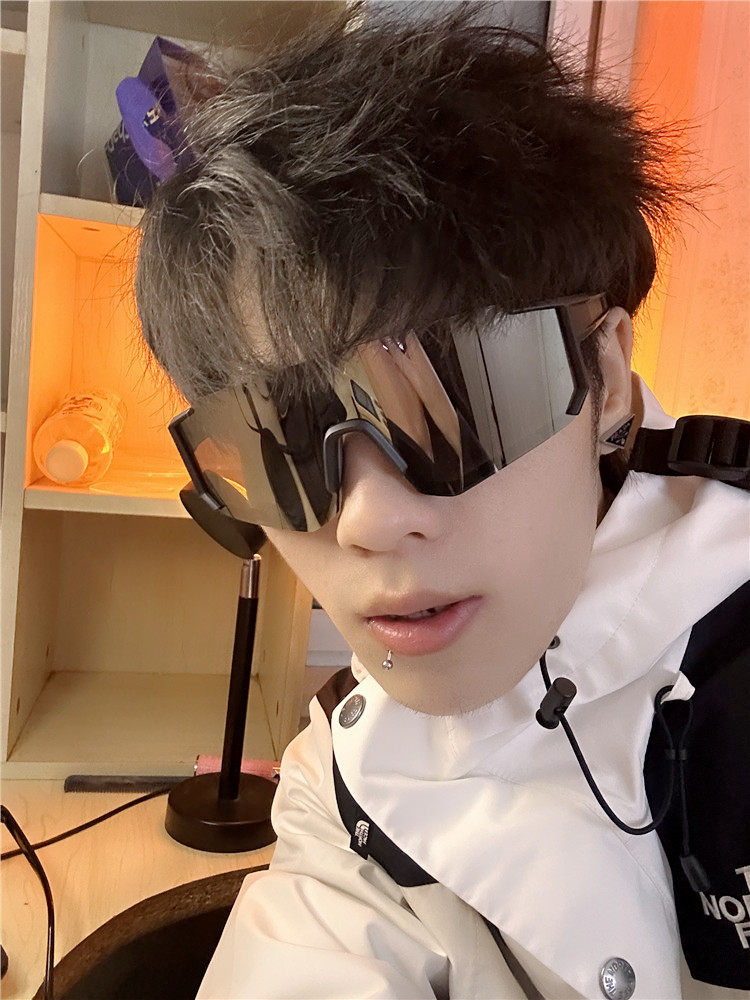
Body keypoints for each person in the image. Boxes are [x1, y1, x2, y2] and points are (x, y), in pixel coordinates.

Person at [133, 5, 750, 997]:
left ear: (606, 380)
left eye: (457, 401)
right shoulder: (341, 790)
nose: (368, 520)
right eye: (273, 443)